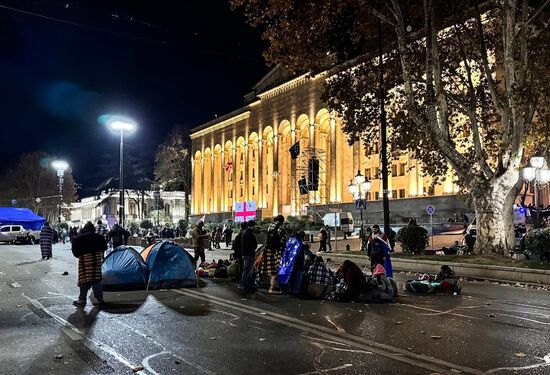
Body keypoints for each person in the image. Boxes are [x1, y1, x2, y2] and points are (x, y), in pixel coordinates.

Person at [71, 222, 107, 307]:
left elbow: (75, 251)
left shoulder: (79, 238)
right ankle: (100, 299)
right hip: (96, 259)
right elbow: (104, 247)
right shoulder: (99, 237)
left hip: (84, 259)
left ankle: (82, 299)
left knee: (84, 279)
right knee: (97, 279)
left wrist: (81, 255)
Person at [261, 215, 287, 294]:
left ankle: (260, 284)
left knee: (268, 270)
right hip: (276, 251)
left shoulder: (270, 226)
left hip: (268, 249)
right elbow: (283, 240)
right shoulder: (281, 228)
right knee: (276, 270)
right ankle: (273, 288)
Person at [240, 220, 258, 293]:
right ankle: (246, 286)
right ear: (252, 226)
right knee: (247, 271)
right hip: (249, 254)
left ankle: (246, 285)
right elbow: (249, 245)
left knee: (247, 271)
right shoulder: (248, 234)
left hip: (247, 254)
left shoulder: (245, 233)